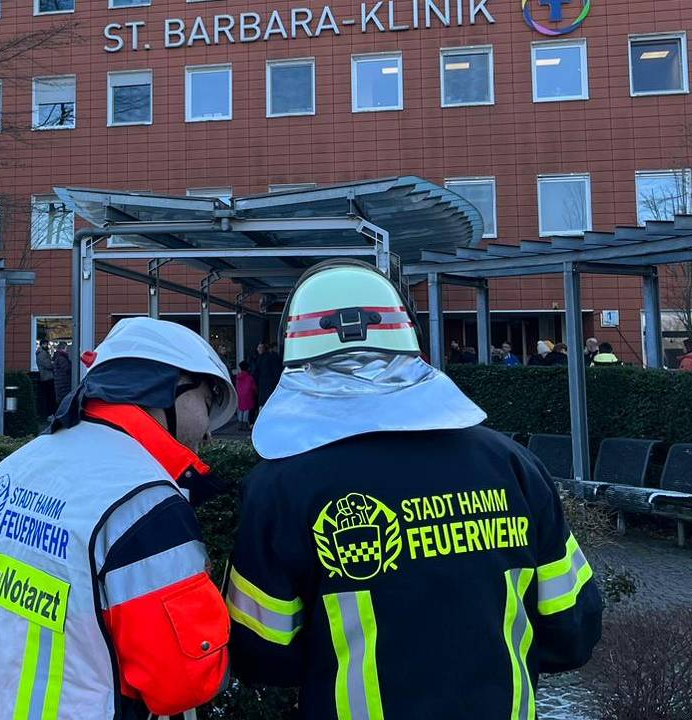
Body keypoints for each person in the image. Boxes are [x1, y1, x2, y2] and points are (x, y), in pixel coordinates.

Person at [228, 260, 603, 719]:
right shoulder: (511, 465)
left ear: (295, 353)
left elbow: (262, 652)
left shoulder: (278, 487)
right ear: (412, 346)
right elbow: (572, 629)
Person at [0, 318, 236, 718]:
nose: (209, 434)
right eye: (208, 400)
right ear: (168, 389)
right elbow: (182, 681)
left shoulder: (9, 471)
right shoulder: (147, 507)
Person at [254, 340, 284, 410]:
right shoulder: (263, 358)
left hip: (267, 385)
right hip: (267, 385)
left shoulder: (263, 358)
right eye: (258, 347)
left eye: (260, 347)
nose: (258, 349)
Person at [36, 340, 57, 419]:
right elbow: (48, 365)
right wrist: (54, 364)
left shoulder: (41, 353)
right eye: (46, 344)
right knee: (49, 397)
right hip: (47, 377)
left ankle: (49, 414)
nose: (47, 346)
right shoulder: (42, 354)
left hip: (46, 377)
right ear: (42, 344)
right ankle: (49, 414)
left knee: (48, 397)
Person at [51, 342, 73, 410]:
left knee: (61, 400)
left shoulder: (58, 356)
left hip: (60, 382)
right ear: (63, 348)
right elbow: (67, 369)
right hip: (64, 382)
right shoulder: (61, 358)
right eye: (66, 348)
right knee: (64, 401)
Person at [236, 360, 257, 430]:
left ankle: (240, 424)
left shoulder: (238, 377)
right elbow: (254, 387)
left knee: (241, 409)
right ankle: (245, 425)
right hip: (248, 396)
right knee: (246, 410)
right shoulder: (249, 377)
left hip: (240, 395)